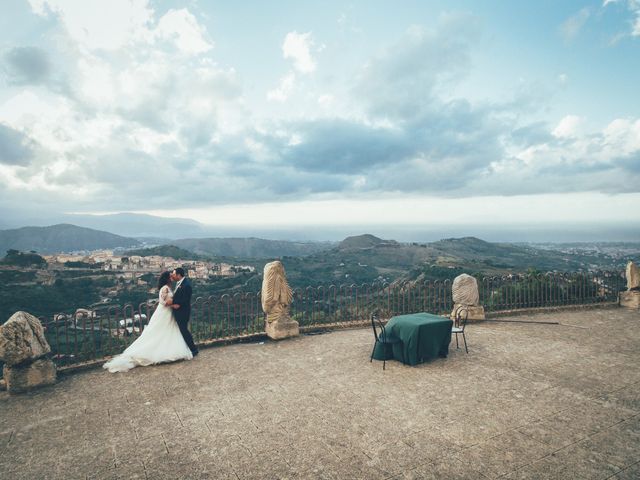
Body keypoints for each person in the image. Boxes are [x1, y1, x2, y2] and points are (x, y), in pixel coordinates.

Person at [103, 271, 193, 373]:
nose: (172, 277)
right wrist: (173, 305)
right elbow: (163, 302)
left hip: (168, 313)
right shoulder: (165, 288)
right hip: (164, 313)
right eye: (170, 276)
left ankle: (164, 351)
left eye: (173, 275)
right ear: (167, 279)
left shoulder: (167, 287)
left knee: (165, 331)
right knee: (160, 332)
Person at [170, 267, 199, 356]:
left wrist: (177, 304)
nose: (172, 276)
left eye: (174, 274)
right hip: (179, 311)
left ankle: (193, 349)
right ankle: (188, 348)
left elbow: (186, 299)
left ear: (178, 275)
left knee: (184, 331)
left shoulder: (186, 285)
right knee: (182, 331)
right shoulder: (180, 283)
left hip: (183, 312)